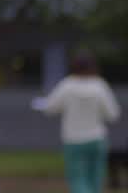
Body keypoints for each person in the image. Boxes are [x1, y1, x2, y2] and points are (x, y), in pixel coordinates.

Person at [33, 50, 121, 193]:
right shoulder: (99, 86)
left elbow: (50, 108)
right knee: (95, 181)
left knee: (78, 180)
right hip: (97, 139)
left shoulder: (67, 85)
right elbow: (113, 114)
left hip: (74, 140)